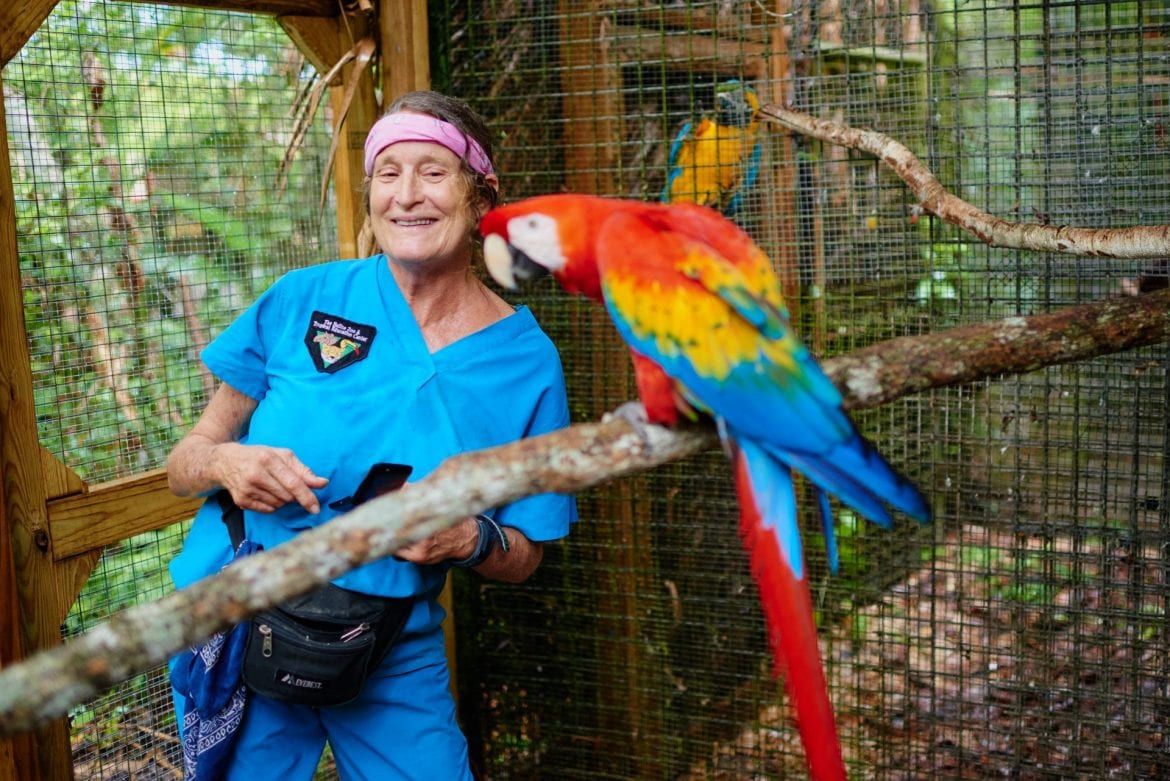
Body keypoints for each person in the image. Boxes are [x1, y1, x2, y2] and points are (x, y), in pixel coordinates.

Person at [167, 90, 577, 780]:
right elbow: (185, 464)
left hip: (389, 645)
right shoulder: (303, 297)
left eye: (433, 171)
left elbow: (526, 551)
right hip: (239, 617)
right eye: (388, 173)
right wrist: (228, 461)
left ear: (482, 198)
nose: (407, 195)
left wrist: (466, 537)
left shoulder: (526, 364)